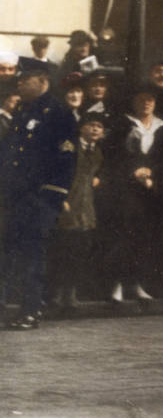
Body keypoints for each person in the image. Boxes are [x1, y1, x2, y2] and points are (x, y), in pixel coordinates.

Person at [0, 66, 77, 329]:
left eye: (26, 80)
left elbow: (66, 158)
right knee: (9, 252)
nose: (20, 85)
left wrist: (52, 196)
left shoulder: (58, 113)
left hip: (40, 197)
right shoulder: (24, 111)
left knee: (33, 254)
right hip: (16, 195)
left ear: (42, 81)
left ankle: (32, 310)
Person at [105, 85, 163, 303]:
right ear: (134, 102)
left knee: (144, 236)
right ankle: (117, 285)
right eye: (141, 99)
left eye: (150, 100)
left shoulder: (162, 127)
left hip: (151, 189)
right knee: (124, 235)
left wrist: (152, 173)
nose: (146, 103)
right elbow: (113, 156)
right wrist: (133, 171)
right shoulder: (123, 125)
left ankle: (137, 284)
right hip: (126, 188)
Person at [49, 112, 105, 311]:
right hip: (68, 204)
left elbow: (95, 173)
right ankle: (55, 296)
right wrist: (60, 199)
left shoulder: (97, 151)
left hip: (85, 208)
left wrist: (97, 179)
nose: (96, 129)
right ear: (82, 128)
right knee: (62, 250)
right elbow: (55, 172)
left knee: (79, 252)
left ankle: (70, 296)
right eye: (91, 125)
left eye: (99, 126)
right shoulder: (69, 147)